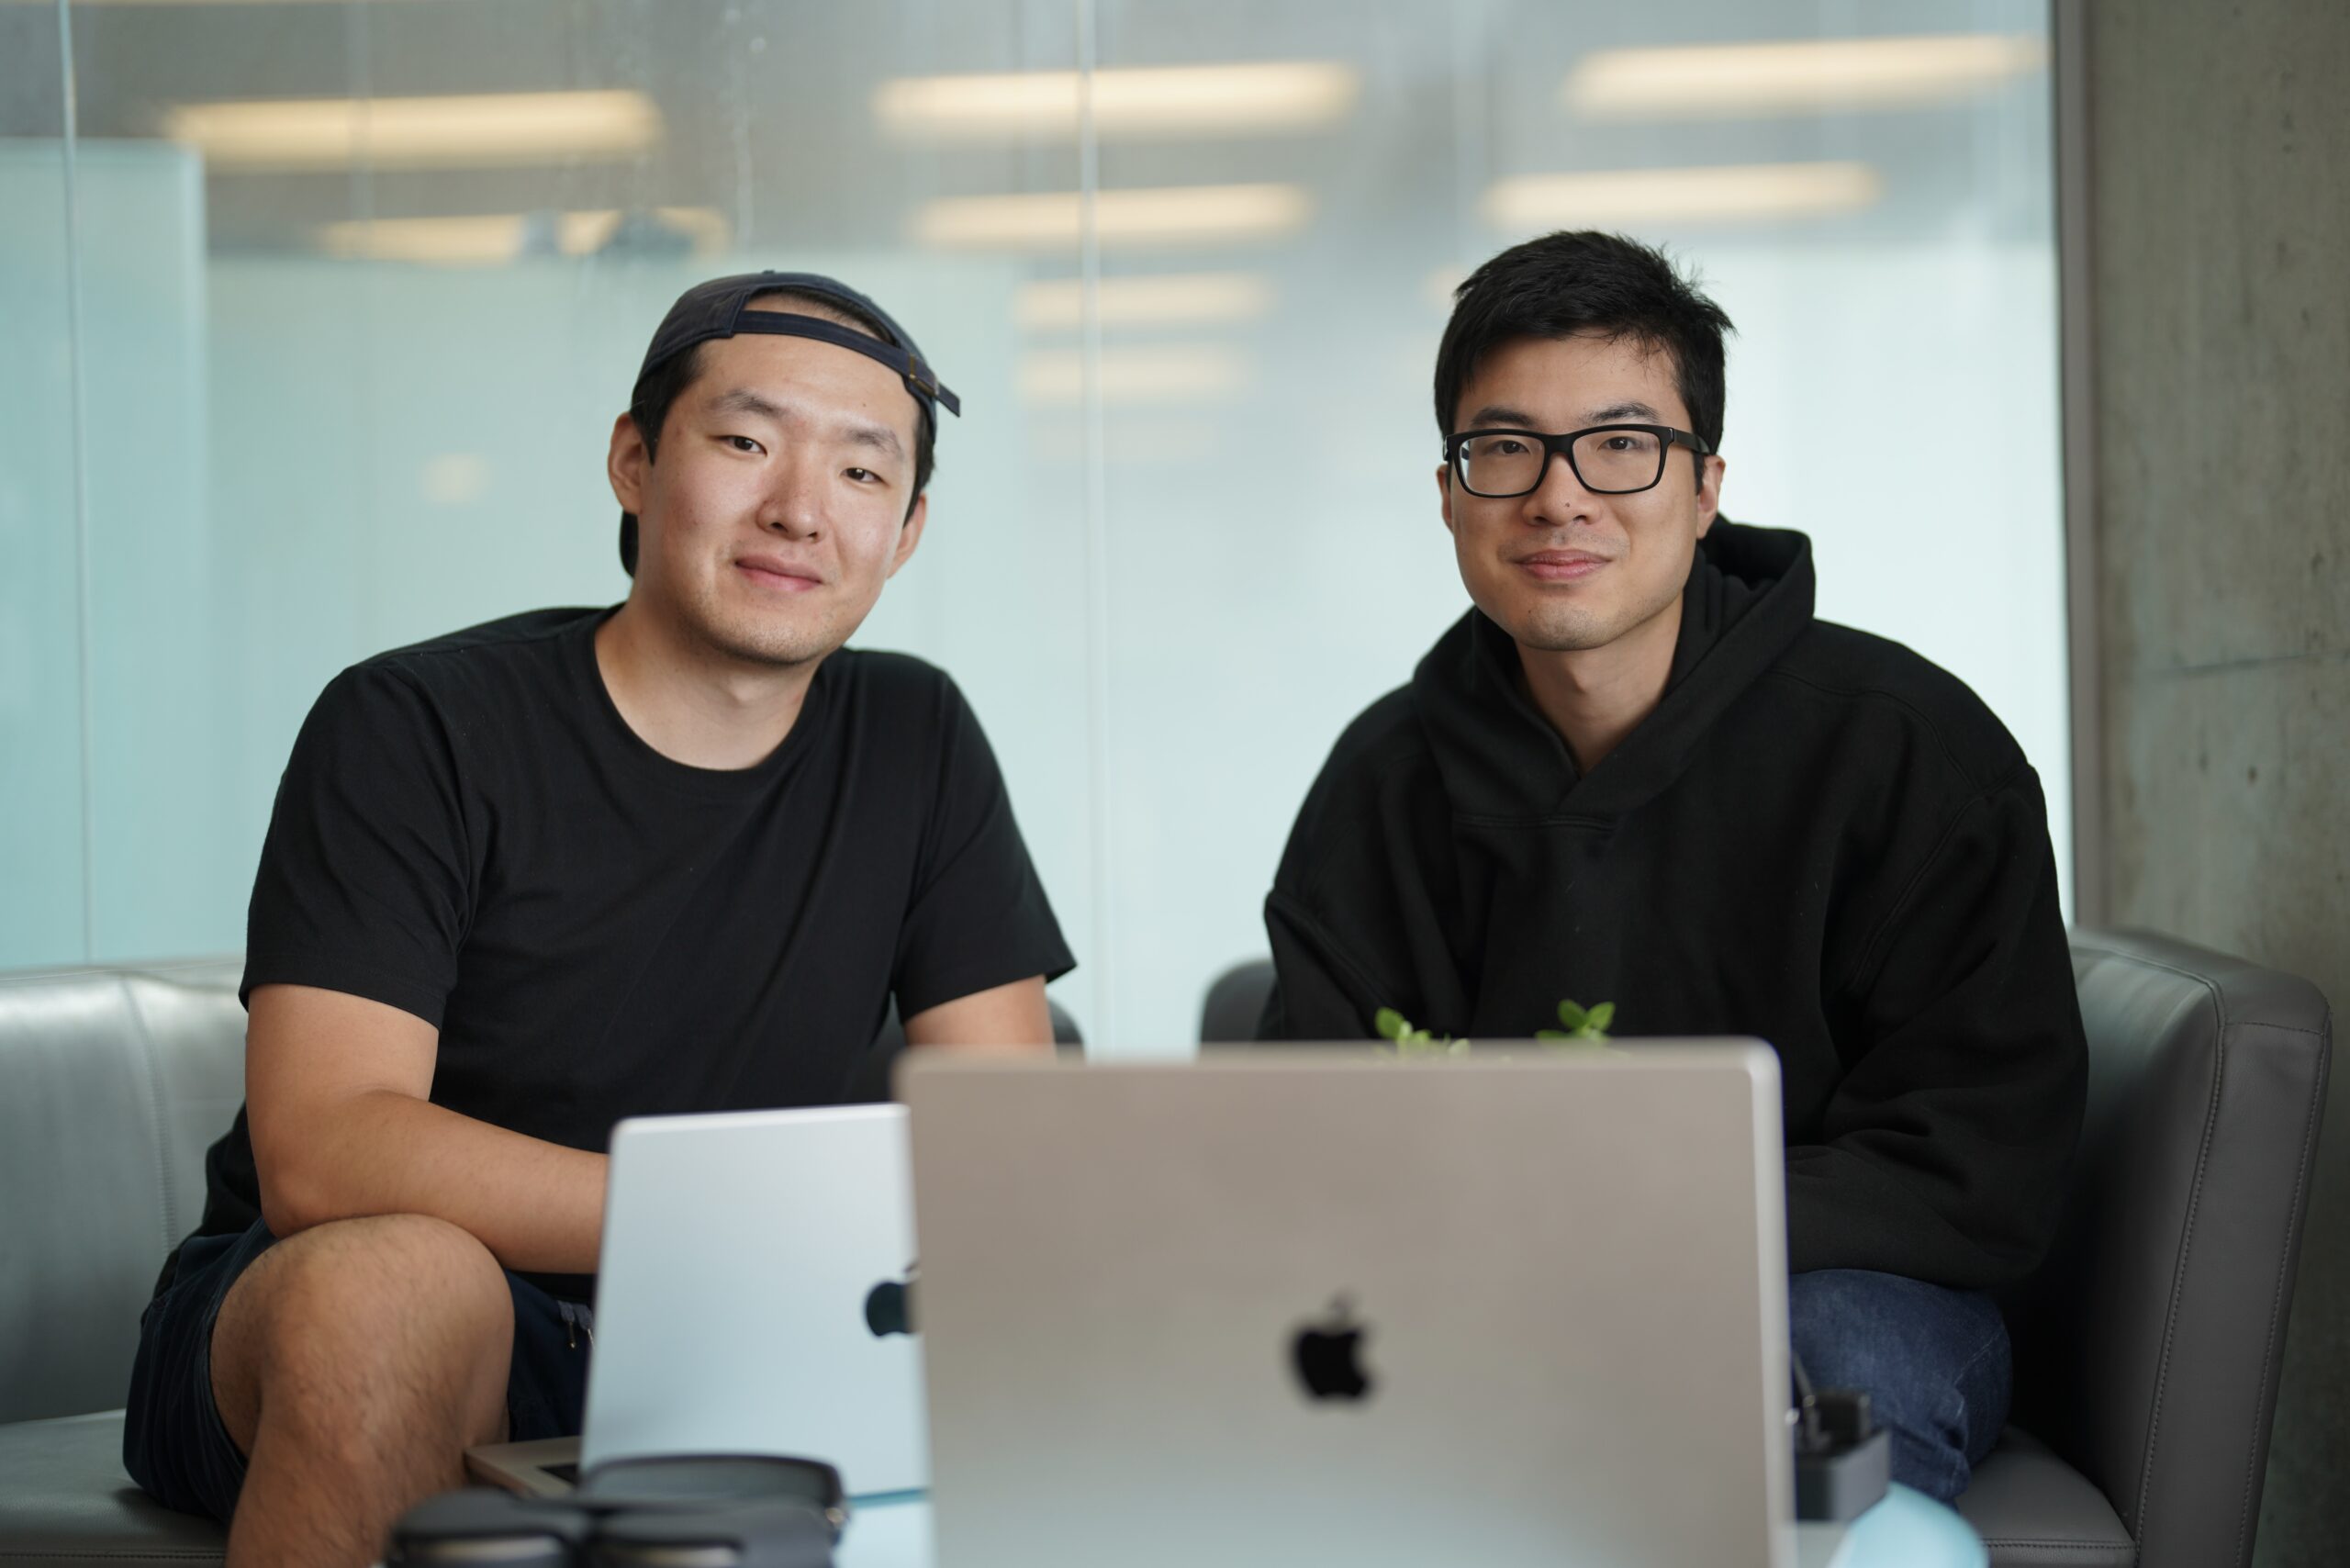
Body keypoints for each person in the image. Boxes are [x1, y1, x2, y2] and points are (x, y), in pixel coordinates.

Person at [122, 273, 1074, 1567]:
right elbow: (325, 1151)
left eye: (862, 474)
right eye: (745, 443)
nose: (799, 509)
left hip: (736, 1332)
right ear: (634, 462)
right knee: (405, 1288)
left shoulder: (916, 739)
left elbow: (1004, 1142)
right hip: (334, 1313)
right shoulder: (415, 727)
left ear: (905, 532)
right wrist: (726, 1222)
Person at [1257, 230, 2086, 1502]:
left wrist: (1632, 1228)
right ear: (1448, 492)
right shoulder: (1383, 780)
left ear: (1705, 488)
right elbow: (1309, 1140)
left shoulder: (1909, 753)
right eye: (1505, 448)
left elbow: (1978, 1169)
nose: (1559, 496)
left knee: (1830, 1360)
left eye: (1623, 444)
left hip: (1827, 1294)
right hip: (1475, 1290)